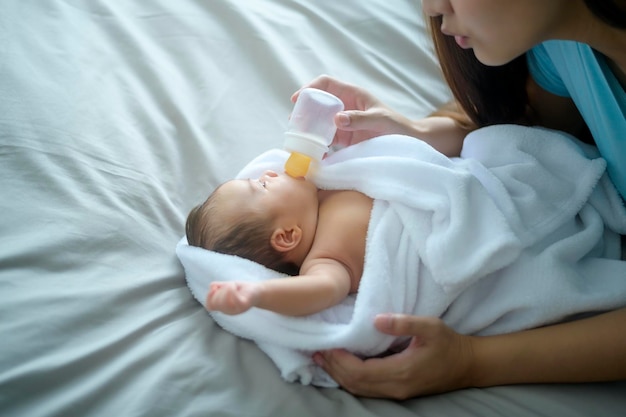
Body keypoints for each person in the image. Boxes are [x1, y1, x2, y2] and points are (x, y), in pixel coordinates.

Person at [289, 0, 626, 400]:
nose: (431, 7)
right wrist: (413, 133)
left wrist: (472, 361)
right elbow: (526, 123)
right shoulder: (562, 44)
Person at [185, 170, 372, 316]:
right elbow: (324, 289)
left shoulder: (320, 190)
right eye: (263, 184)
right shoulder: (326, 259)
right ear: (287, 236)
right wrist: (259, 294)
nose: (269, 172)